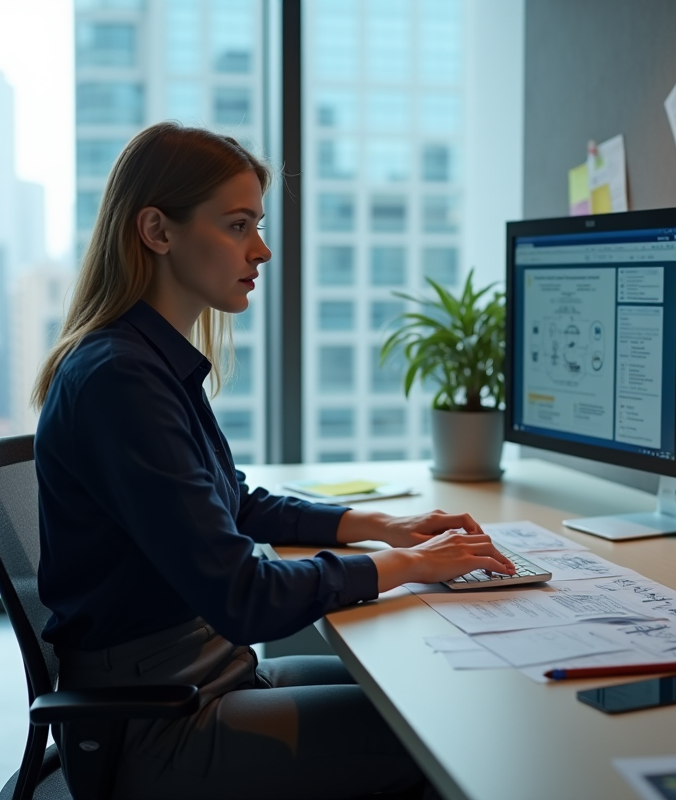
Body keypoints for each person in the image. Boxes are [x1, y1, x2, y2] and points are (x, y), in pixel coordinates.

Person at [32, 122, 515, 800]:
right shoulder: (121, 380)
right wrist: (408, 566)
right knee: (448, 735)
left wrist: (379, 526)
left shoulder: (147, 361)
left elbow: (236, 502)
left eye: (256, 224)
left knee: (432, 686)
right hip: (160, 726)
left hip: (203, 679)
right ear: (157, 230)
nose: (260, 250)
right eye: (237, 226)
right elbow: (243, 597)